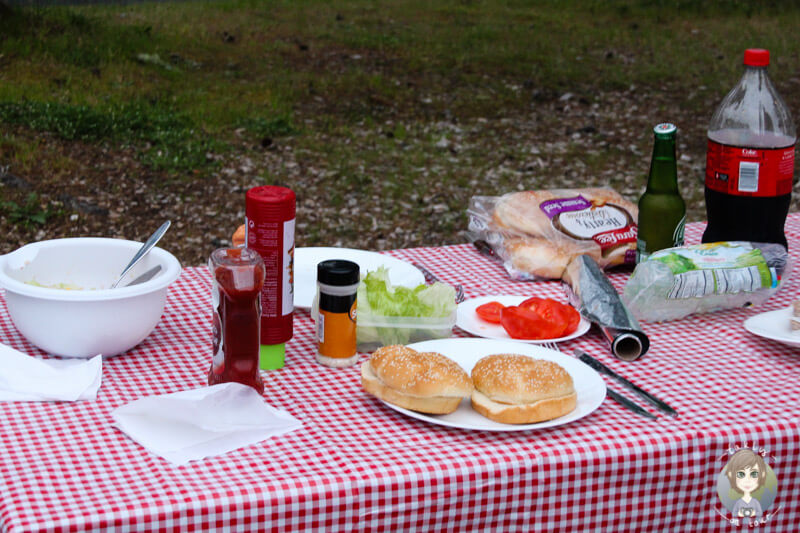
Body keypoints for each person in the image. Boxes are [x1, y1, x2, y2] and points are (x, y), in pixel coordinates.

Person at [724, 449, 767, 524]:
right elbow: (734, 513)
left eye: (754, 474)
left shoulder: (755, 502)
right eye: (741, 474)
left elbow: (760, 513)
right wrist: (740, 514)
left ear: (762, 475)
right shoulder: (739, 503)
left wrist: (753, 513)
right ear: (731, 475)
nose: (747, 480)